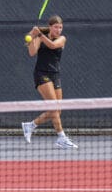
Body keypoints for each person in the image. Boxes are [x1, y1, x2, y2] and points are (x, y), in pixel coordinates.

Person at [21, 15, 78, 149]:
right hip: (41, 74)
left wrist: (39, 34)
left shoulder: (62, 39)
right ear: (50, 27)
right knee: (53, 107)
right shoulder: (40, 38)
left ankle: (30, 125)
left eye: (60, 27)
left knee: (57, 111)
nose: (59, 30)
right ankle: (61, 138)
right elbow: (32, 52)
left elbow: (52, 45)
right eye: (56, 27)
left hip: (55, 75)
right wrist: (32, 36)